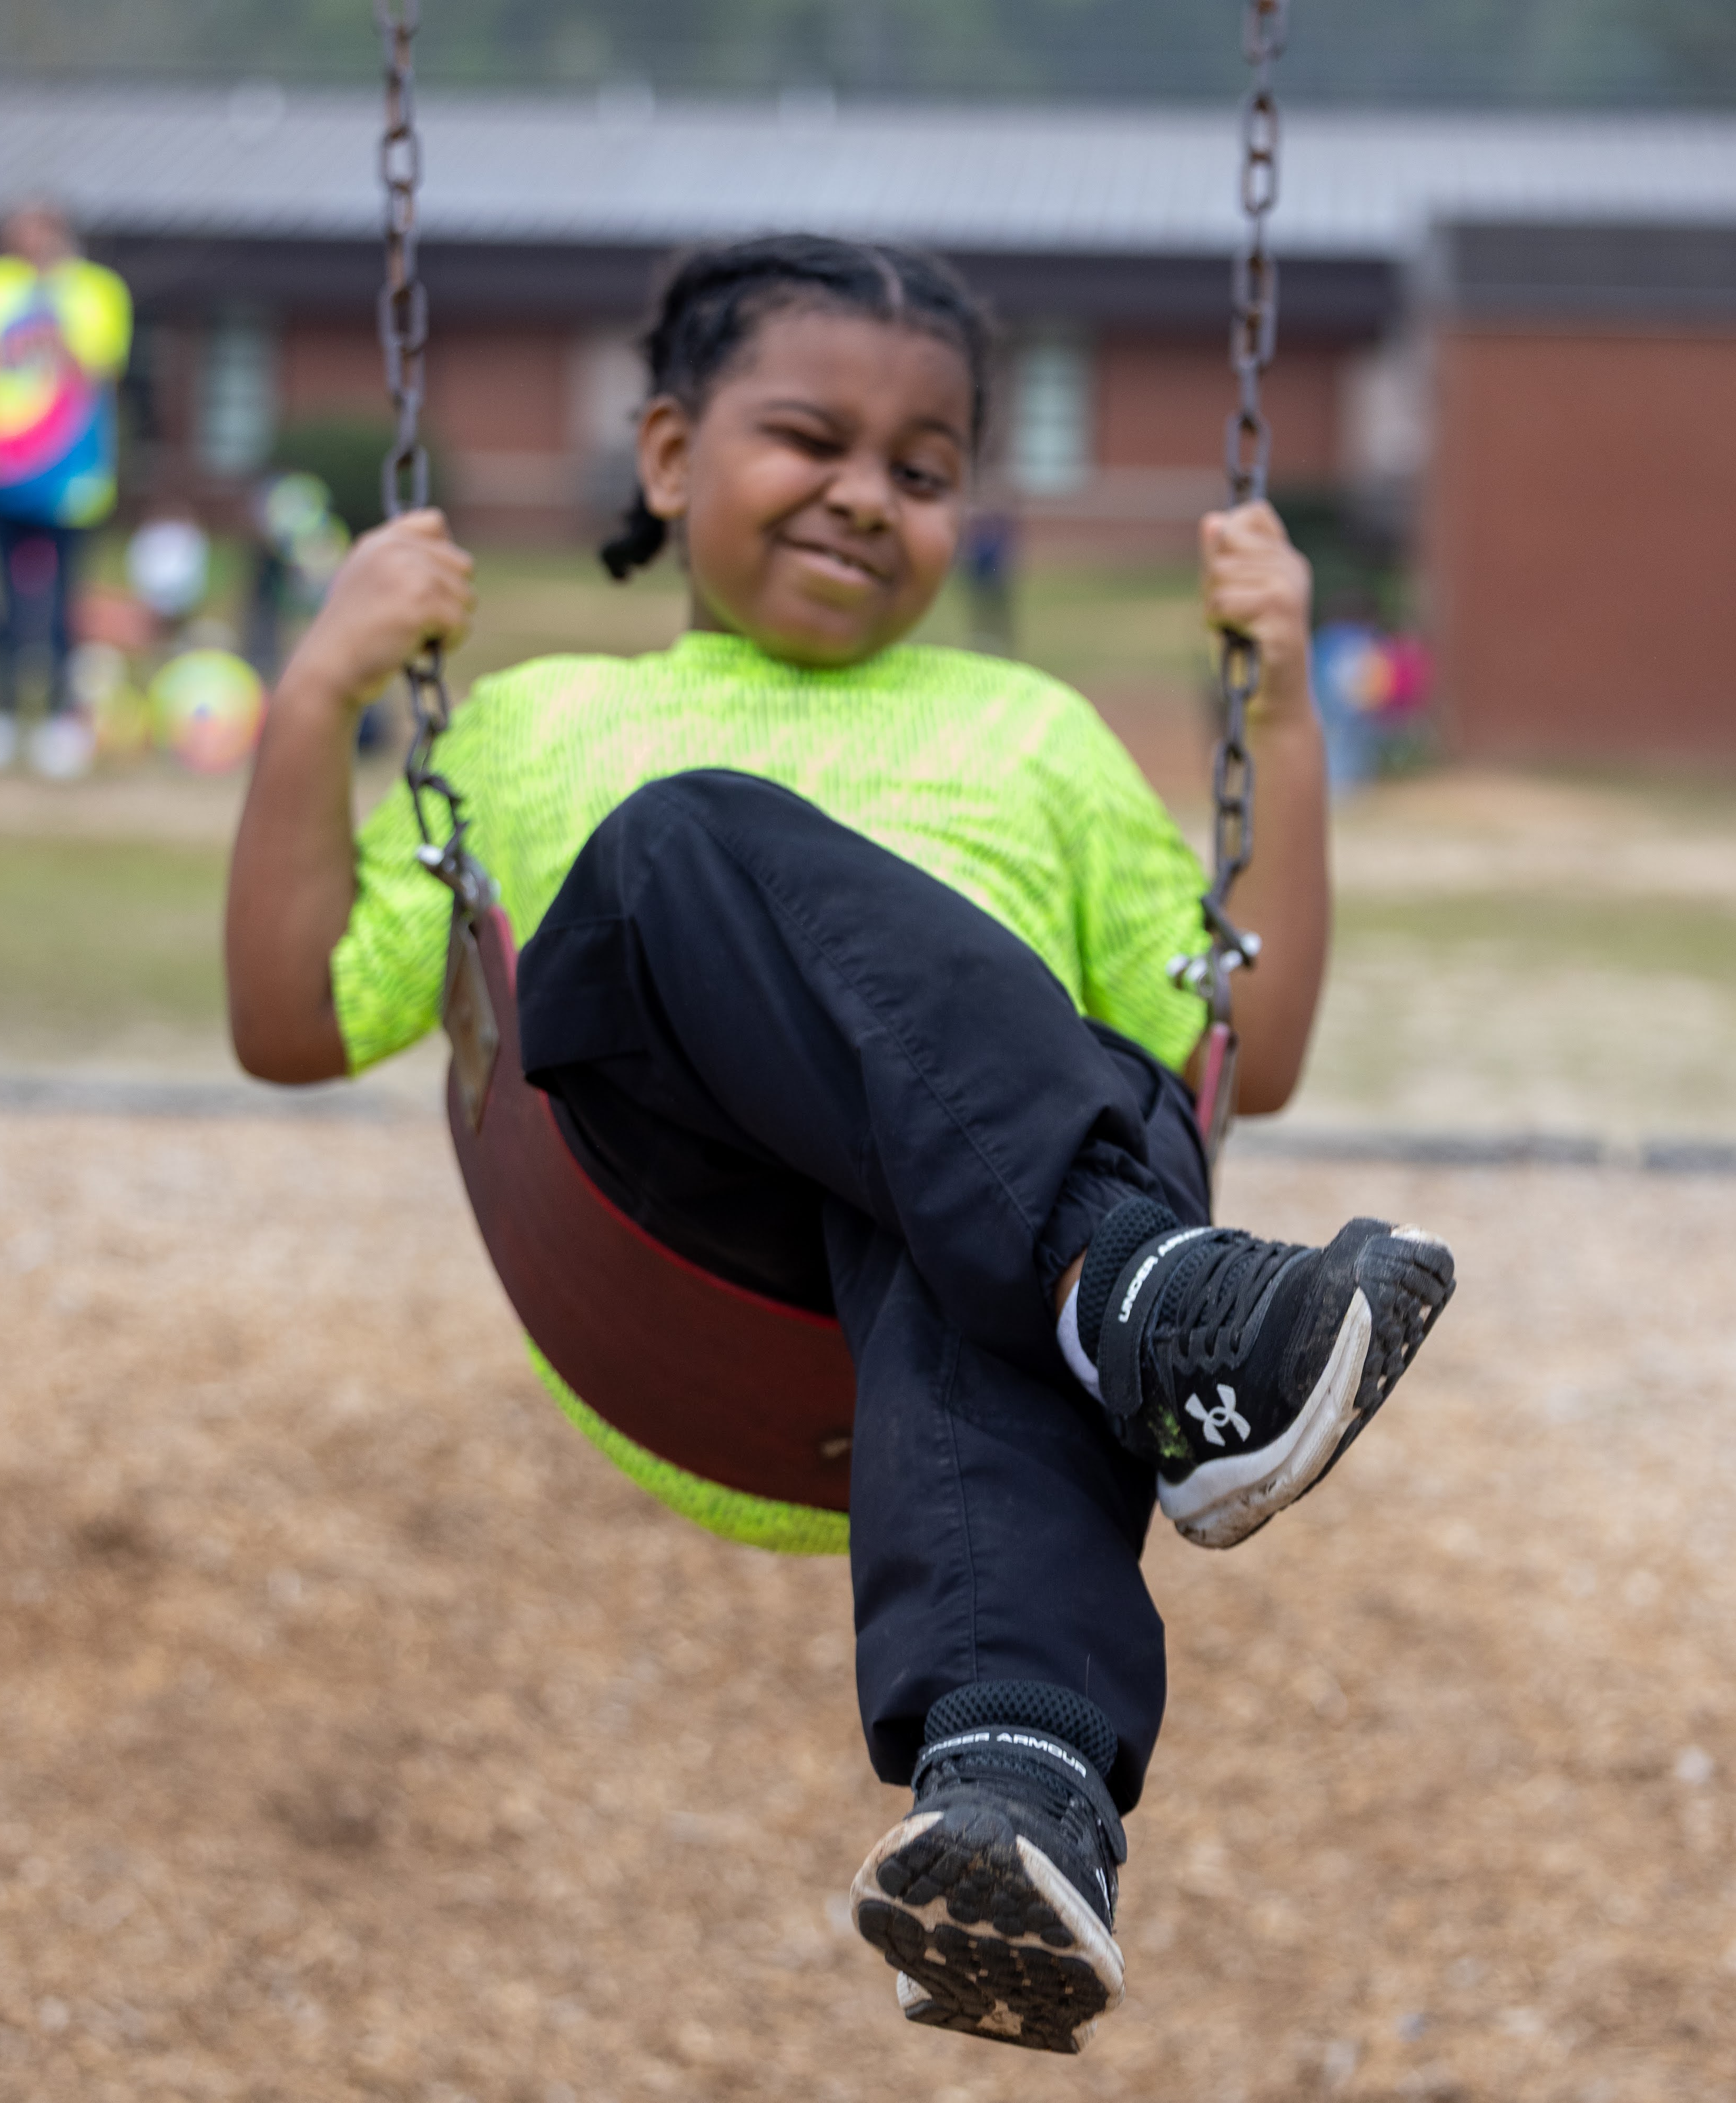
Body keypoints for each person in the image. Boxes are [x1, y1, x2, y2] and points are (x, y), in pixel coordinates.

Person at [225, 236, 1456, 2056]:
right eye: (809, 438)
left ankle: (1019, 1788)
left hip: (968, 1262)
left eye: (922, 467)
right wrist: (317, 692)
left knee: (1070, 1101)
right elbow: (292, 1023)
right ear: (666, 454)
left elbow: (1235, 1053)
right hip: (674, 1217)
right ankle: (1147, 1302)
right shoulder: (549, 716)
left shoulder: (1034, 732)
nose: (865, 493)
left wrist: (1276, 701)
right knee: (681, 845)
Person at [0, 202, 131, 780]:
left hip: (71, 475)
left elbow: (99, 368)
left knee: (65, 602)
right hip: (0, 470)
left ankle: (62, 720)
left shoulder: (94, 289)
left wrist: (52, 295)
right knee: (1, 598)